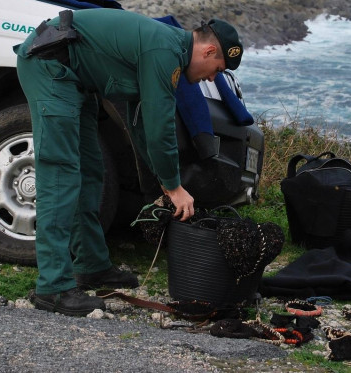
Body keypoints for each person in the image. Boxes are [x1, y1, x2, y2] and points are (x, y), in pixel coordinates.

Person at [13, 8, 244, 316]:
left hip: (76, 80)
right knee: (61, 174)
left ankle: (91, 267)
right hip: (50, 67)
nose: (213, 77)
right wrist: (174, 187)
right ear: (209, 50)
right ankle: (52, 288)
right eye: (217, 68)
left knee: (91, 171)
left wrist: (162, 183)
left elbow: (140, 125)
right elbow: (159, 127)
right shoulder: (164, 53)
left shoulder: (168, 50)